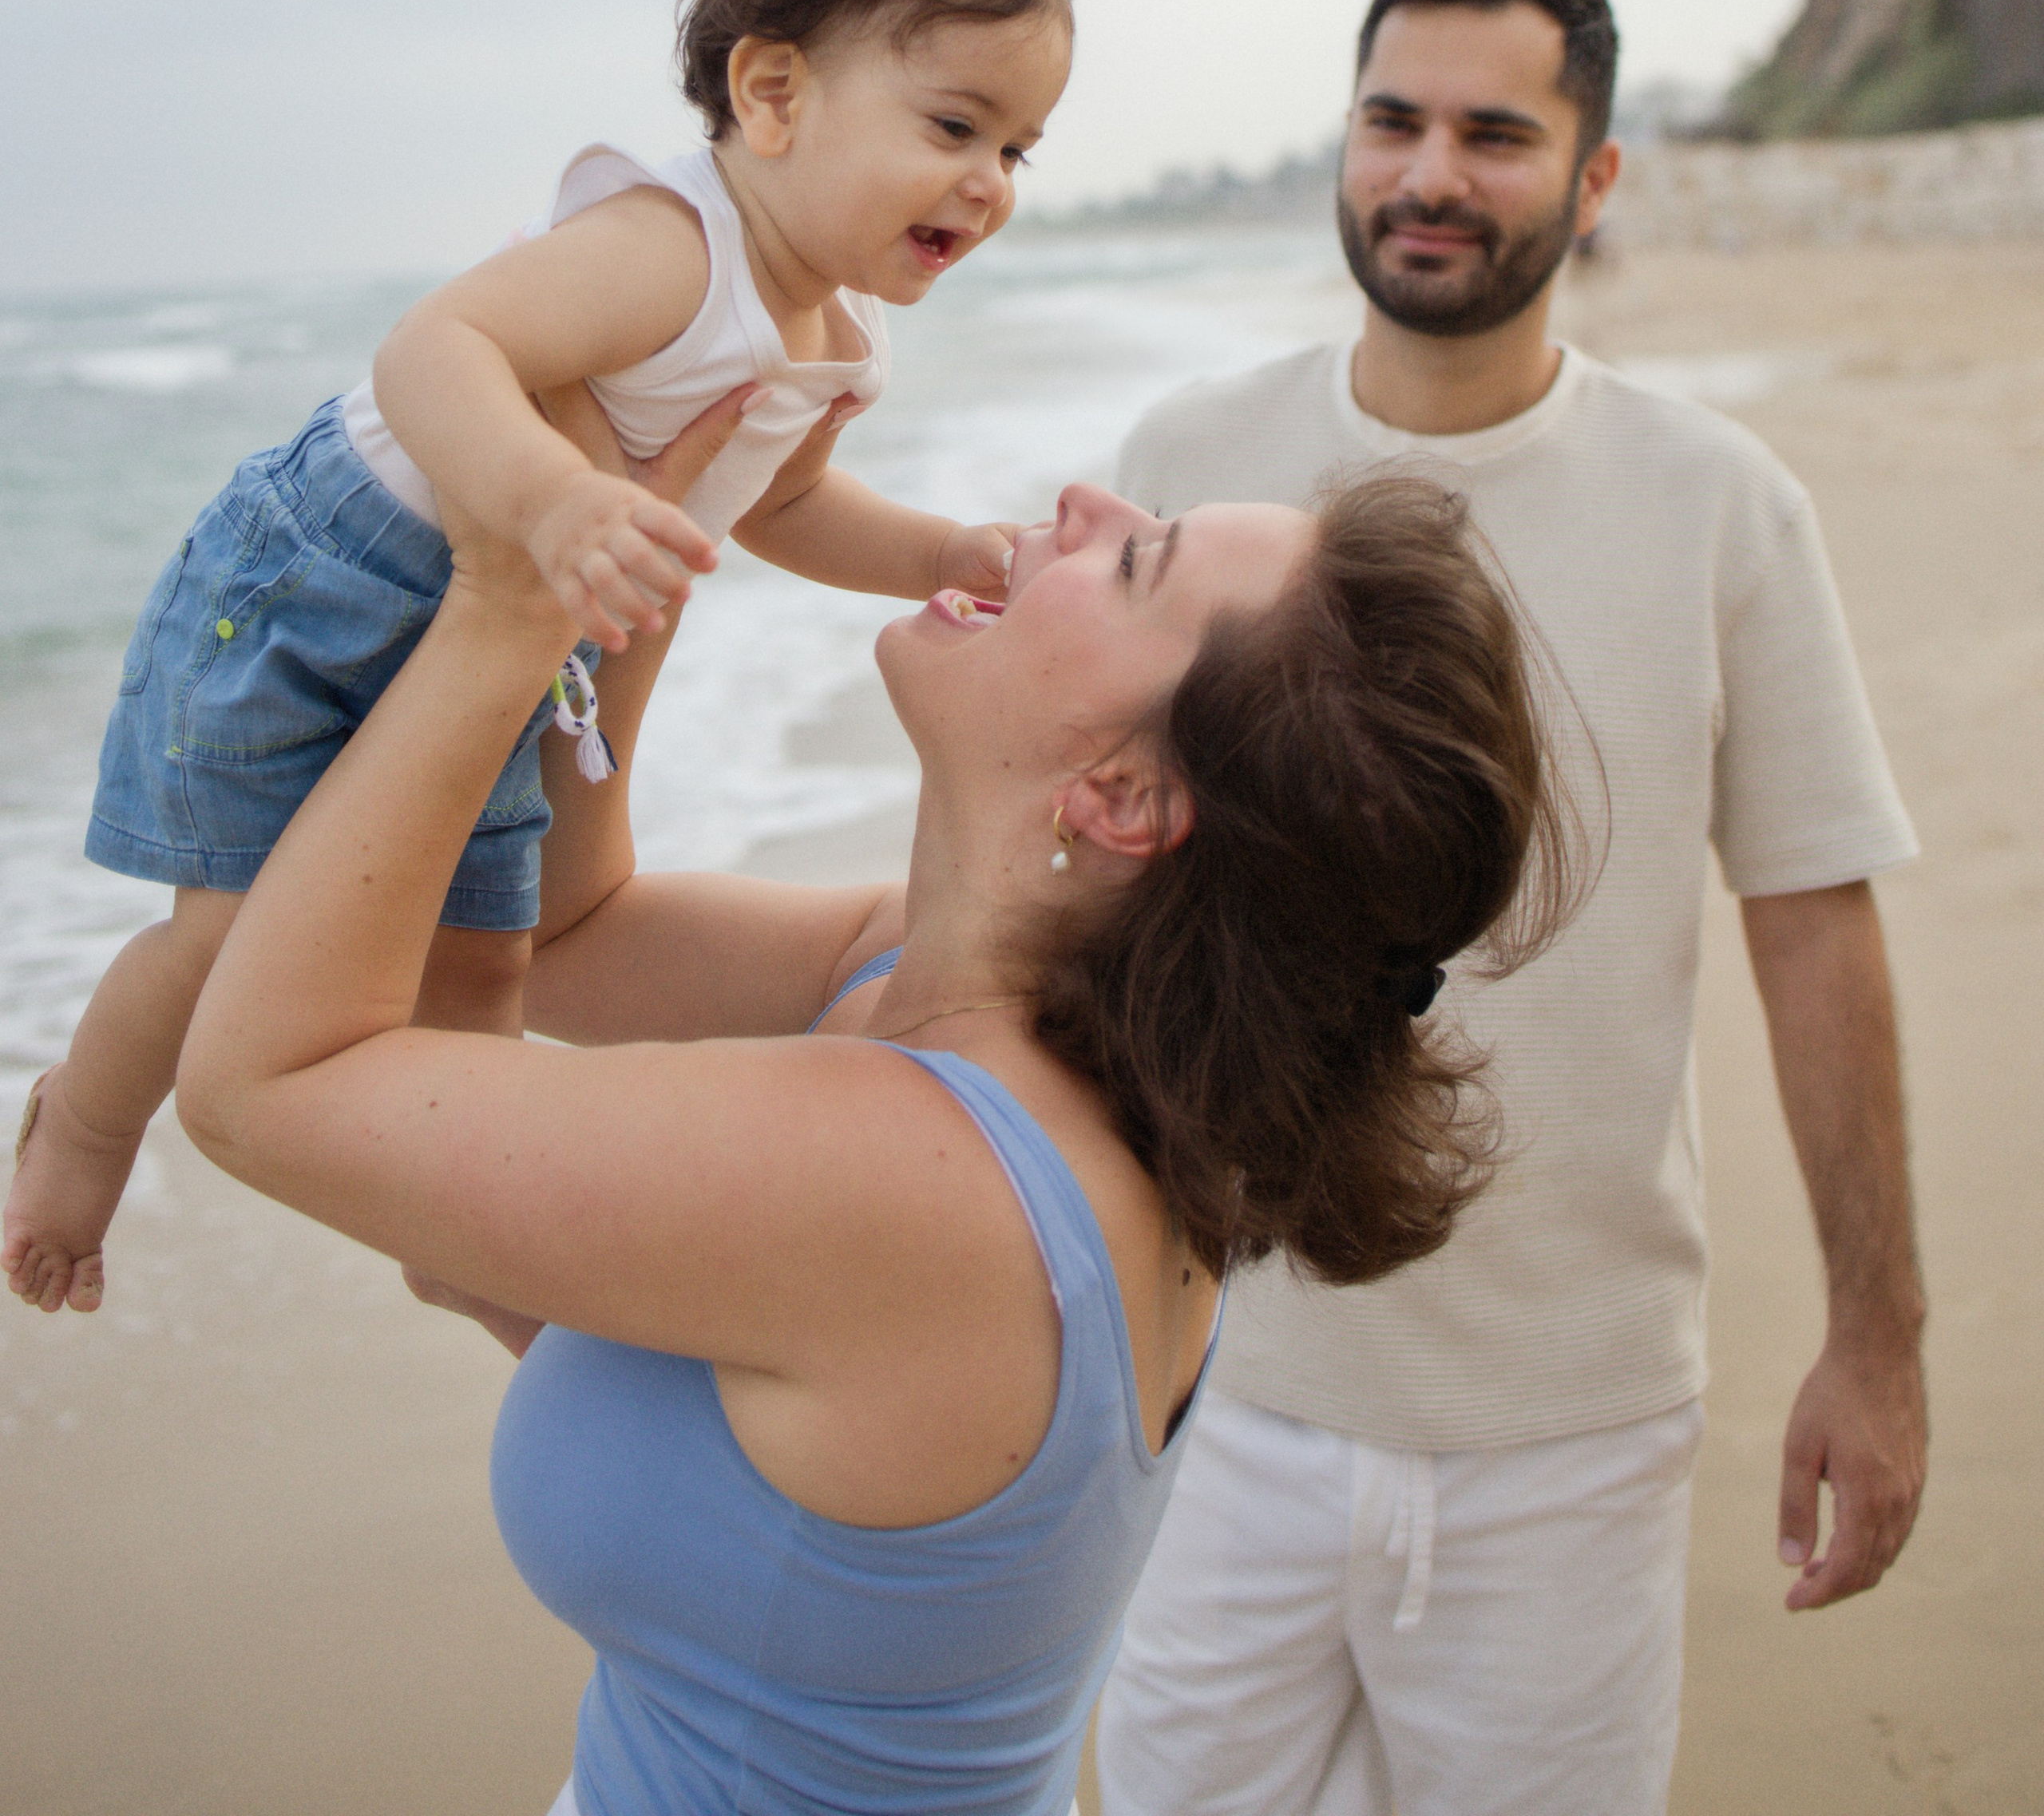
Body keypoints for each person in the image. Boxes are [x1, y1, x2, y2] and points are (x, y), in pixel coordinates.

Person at [170, 360, 1569, 1816]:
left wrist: (506, 605)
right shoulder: (982, 1014)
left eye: (1137, 554)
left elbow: (264, 1083)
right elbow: (574, 936)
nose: (1085, 501)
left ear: (1127, 800)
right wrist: (653, 533)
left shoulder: (933, 1180)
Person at [1096, 0, 1927, 1816]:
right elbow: (1082, 883)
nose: (1428, 177)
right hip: (1218, 1391)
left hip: (1574, 1427)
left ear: (1594, 174)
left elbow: (1811, 924)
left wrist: (1872, 1345)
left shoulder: (1717, 503)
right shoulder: (1189, 459)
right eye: (1392, 121)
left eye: (1494, 134)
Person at [6, 0, 1071, 1314]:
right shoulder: (668, 247)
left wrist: (942, 554)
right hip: (334, 586)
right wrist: (558, 501)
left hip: (502, 638)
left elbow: (781, 505)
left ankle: (470, 1240)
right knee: (241, 938)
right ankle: (87, 1124)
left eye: (1017, 148)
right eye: (956, 129)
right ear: (772, 94)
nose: (992, 184)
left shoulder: (833, 334)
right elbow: (437, 347)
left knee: (481, 966)